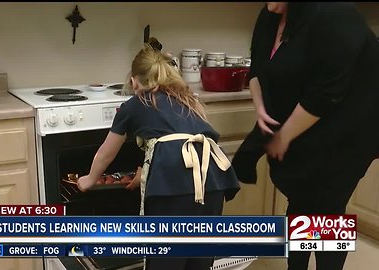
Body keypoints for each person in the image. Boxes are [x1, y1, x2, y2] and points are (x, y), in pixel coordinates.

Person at [232, 2, 379, 270]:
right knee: (302, 198)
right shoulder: (271, 15)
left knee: (328, 205)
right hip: (307, 118)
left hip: (353, 127)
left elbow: (327, 93)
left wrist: (283, 137)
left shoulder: (336, 15)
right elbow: (257, 67)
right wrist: (260, 108)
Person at [77, 44, 240, 270]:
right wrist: (145, 174)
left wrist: (89, 179)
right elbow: (175, 140)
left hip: (174, 189)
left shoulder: (135, 104)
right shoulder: (186, 100)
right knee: (198, 260)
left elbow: (106, 153)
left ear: (134, 81)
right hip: (212, 182)